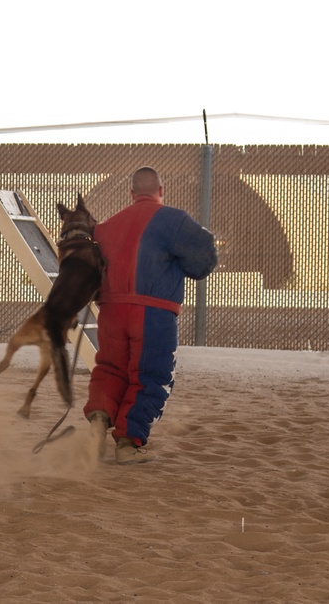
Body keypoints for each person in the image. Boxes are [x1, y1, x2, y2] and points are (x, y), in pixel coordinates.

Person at [83, 166, 217, 464]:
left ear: (132, 193)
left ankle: (98, 422)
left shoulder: (106, 227)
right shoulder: (173, 219)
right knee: (150, 375)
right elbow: (203, 259)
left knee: (110, 369)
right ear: (161, 191)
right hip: (153, 312)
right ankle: (127, 443)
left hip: (111, 311)